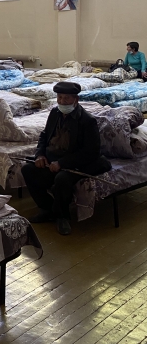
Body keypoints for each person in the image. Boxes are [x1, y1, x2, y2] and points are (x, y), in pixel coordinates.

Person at [21, 81, 110, 236]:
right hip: (53, 159)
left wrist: (62, 163)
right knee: (28, 169)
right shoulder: (54, 113)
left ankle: (62, 216)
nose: (62, 101)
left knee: (62, 179)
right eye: (59, 97)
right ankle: (48, 209)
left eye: (66, 98)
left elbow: (91, 152)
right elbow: (44, 136)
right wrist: (40, 155)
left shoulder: (87, 121)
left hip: (77, 163)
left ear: (75, 99)